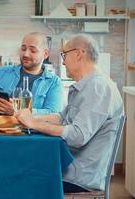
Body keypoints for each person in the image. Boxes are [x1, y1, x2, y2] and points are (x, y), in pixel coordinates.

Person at [16, 34, 124, 192]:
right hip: (70, 168)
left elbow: (78, 136)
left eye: (64, 55)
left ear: (79, 54)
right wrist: (29, 118)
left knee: (18, 178)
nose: (63, 61)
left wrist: (34, 124)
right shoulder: (86, 86)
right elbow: (61, 117)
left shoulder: (98, 88)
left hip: (78, 177)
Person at [0, 32, 63, 116]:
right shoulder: (2, 72)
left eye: (33, 50)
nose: (25, 54)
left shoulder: (53, 82)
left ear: (45, 54)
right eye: (23, 49)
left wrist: (16, 112)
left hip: (31, 130)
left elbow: (53, 114)